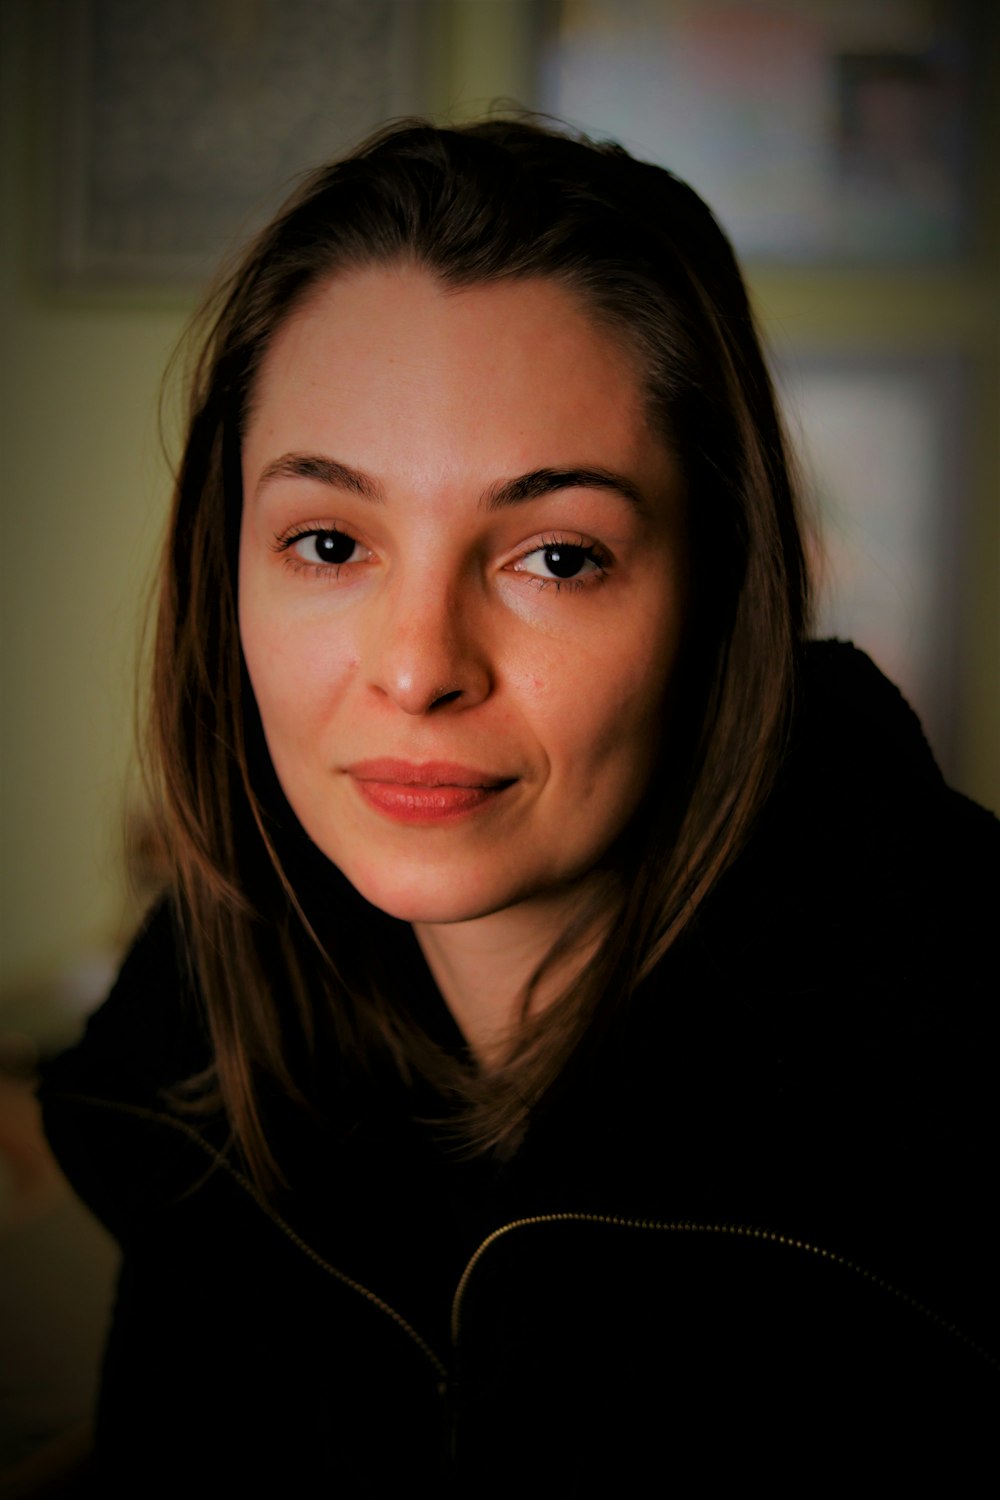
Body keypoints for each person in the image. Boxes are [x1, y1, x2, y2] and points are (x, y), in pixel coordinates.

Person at [39, 117, 997, 1492]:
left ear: (720, 596)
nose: (421, 665)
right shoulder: (201, 1050)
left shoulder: (966, 1076)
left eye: (556, 555)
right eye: (327, 541)